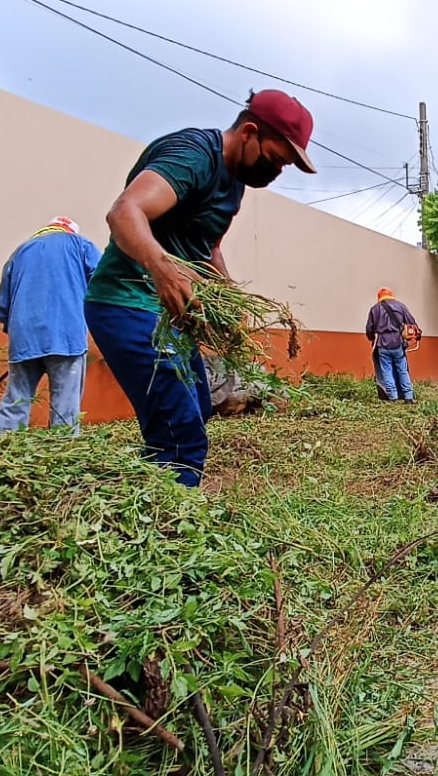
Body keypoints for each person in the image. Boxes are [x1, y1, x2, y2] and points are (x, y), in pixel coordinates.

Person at [84, 90, 317, 487]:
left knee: (198, 408)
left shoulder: (236, 181)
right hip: (130, 304)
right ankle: (170, 530)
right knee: (181, 437)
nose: (278, 171)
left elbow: (207, 246)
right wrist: (165, 271)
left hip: (169, 316)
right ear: (249, 131)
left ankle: (137, 495)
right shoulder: (192, 155)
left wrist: (227, 295)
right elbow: (125, 212)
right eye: (276, 158)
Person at [0, 217, 103, 432]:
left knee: (16, 398)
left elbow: (2, 306)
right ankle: (62, 453)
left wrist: (14, 328)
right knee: (65, 404)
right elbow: (103, 281)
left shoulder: (19, 253)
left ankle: (1, 447)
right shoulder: (81, 245)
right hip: (66, 335)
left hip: (24, 339)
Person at [366, 287, 420, 402]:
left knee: (386, 370)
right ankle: (408, 397)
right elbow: (412, 322)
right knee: (402, 370)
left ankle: (393, 397)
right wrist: (418, 334)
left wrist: (371, 338)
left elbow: (369, 329)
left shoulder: (374, 309)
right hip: (398, 343)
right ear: (391, 296)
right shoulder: (400, 306)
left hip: (382, 344)